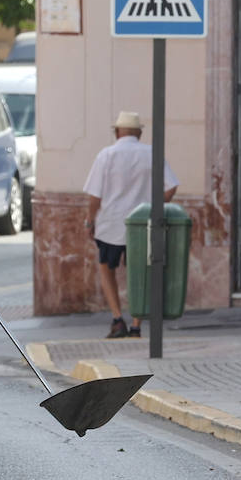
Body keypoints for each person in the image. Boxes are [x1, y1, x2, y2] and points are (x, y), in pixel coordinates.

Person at [83, 110, 178, 339]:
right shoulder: (151, 153)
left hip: (110, 225)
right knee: (140, 274)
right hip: (142, 224)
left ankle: (117, 318)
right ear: (139, 133)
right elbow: (171, 186)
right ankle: (136, 324)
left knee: (107, 269)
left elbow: (95, 196)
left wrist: (89, 220)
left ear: (117, 132)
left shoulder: (105, 155)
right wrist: (153, 208)